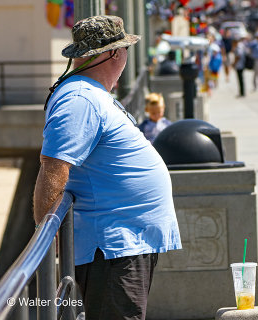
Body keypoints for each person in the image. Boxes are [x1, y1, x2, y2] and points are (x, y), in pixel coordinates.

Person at [33, 15, 182, 320]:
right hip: (113, 247)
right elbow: (53, 168)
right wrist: (45, 235)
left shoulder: (91, 93)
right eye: (125, 48)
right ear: (114, 53)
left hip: (124, 243)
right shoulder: (79, 98)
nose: (127, 56)